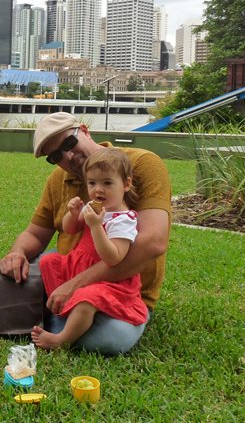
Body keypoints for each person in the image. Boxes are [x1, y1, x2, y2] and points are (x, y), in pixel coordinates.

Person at [0, 112, 171, 355]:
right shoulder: (59, 179)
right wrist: (17, 253)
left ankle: (49, 318)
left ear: (85, 130)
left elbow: (152, 244)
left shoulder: (141, 163)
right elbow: (36, 234)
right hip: (68, 268)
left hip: (117, 285)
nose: (67, 156)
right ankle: (51, 313)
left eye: (69, 143)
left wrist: (75, 285)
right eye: (55, 156)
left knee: (109, 339)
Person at [31, 148, 149, 350]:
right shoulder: (93, 208)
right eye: (92, 183)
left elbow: (114, 258)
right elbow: (71, 228)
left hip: (107, 279)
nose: (98, 190)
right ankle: (63, 308)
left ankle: (62, 340)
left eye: (107, 183)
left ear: (126, 184)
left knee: (88, 297)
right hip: (79, 266)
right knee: (48, 261)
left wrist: (96, 226)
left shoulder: (124, 220)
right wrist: (73, 213)